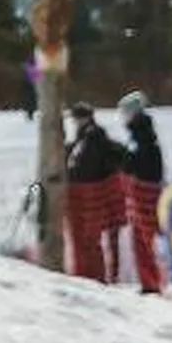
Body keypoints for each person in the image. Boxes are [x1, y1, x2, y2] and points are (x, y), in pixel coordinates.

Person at [61, 102, 128, 283]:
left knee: (90, 241)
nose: (74, 122)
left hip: (90, 196)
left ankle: (95, 276)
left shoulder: (93, 139)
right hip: (86, 195)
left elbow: (87, 166)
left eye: (76, 118)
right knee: (88, 241)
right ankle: (92, 274)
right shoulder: (83, 139)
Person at [116, 90, 168, 295]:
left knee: (146, 240)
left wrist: (126, 162)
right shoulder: (138, 134)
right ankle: (149, 281)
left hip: (146, 194)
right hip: (142, 191)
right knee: (140, 241)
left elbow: (142, 164)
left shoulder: (143, 135)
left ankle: (153, 282)